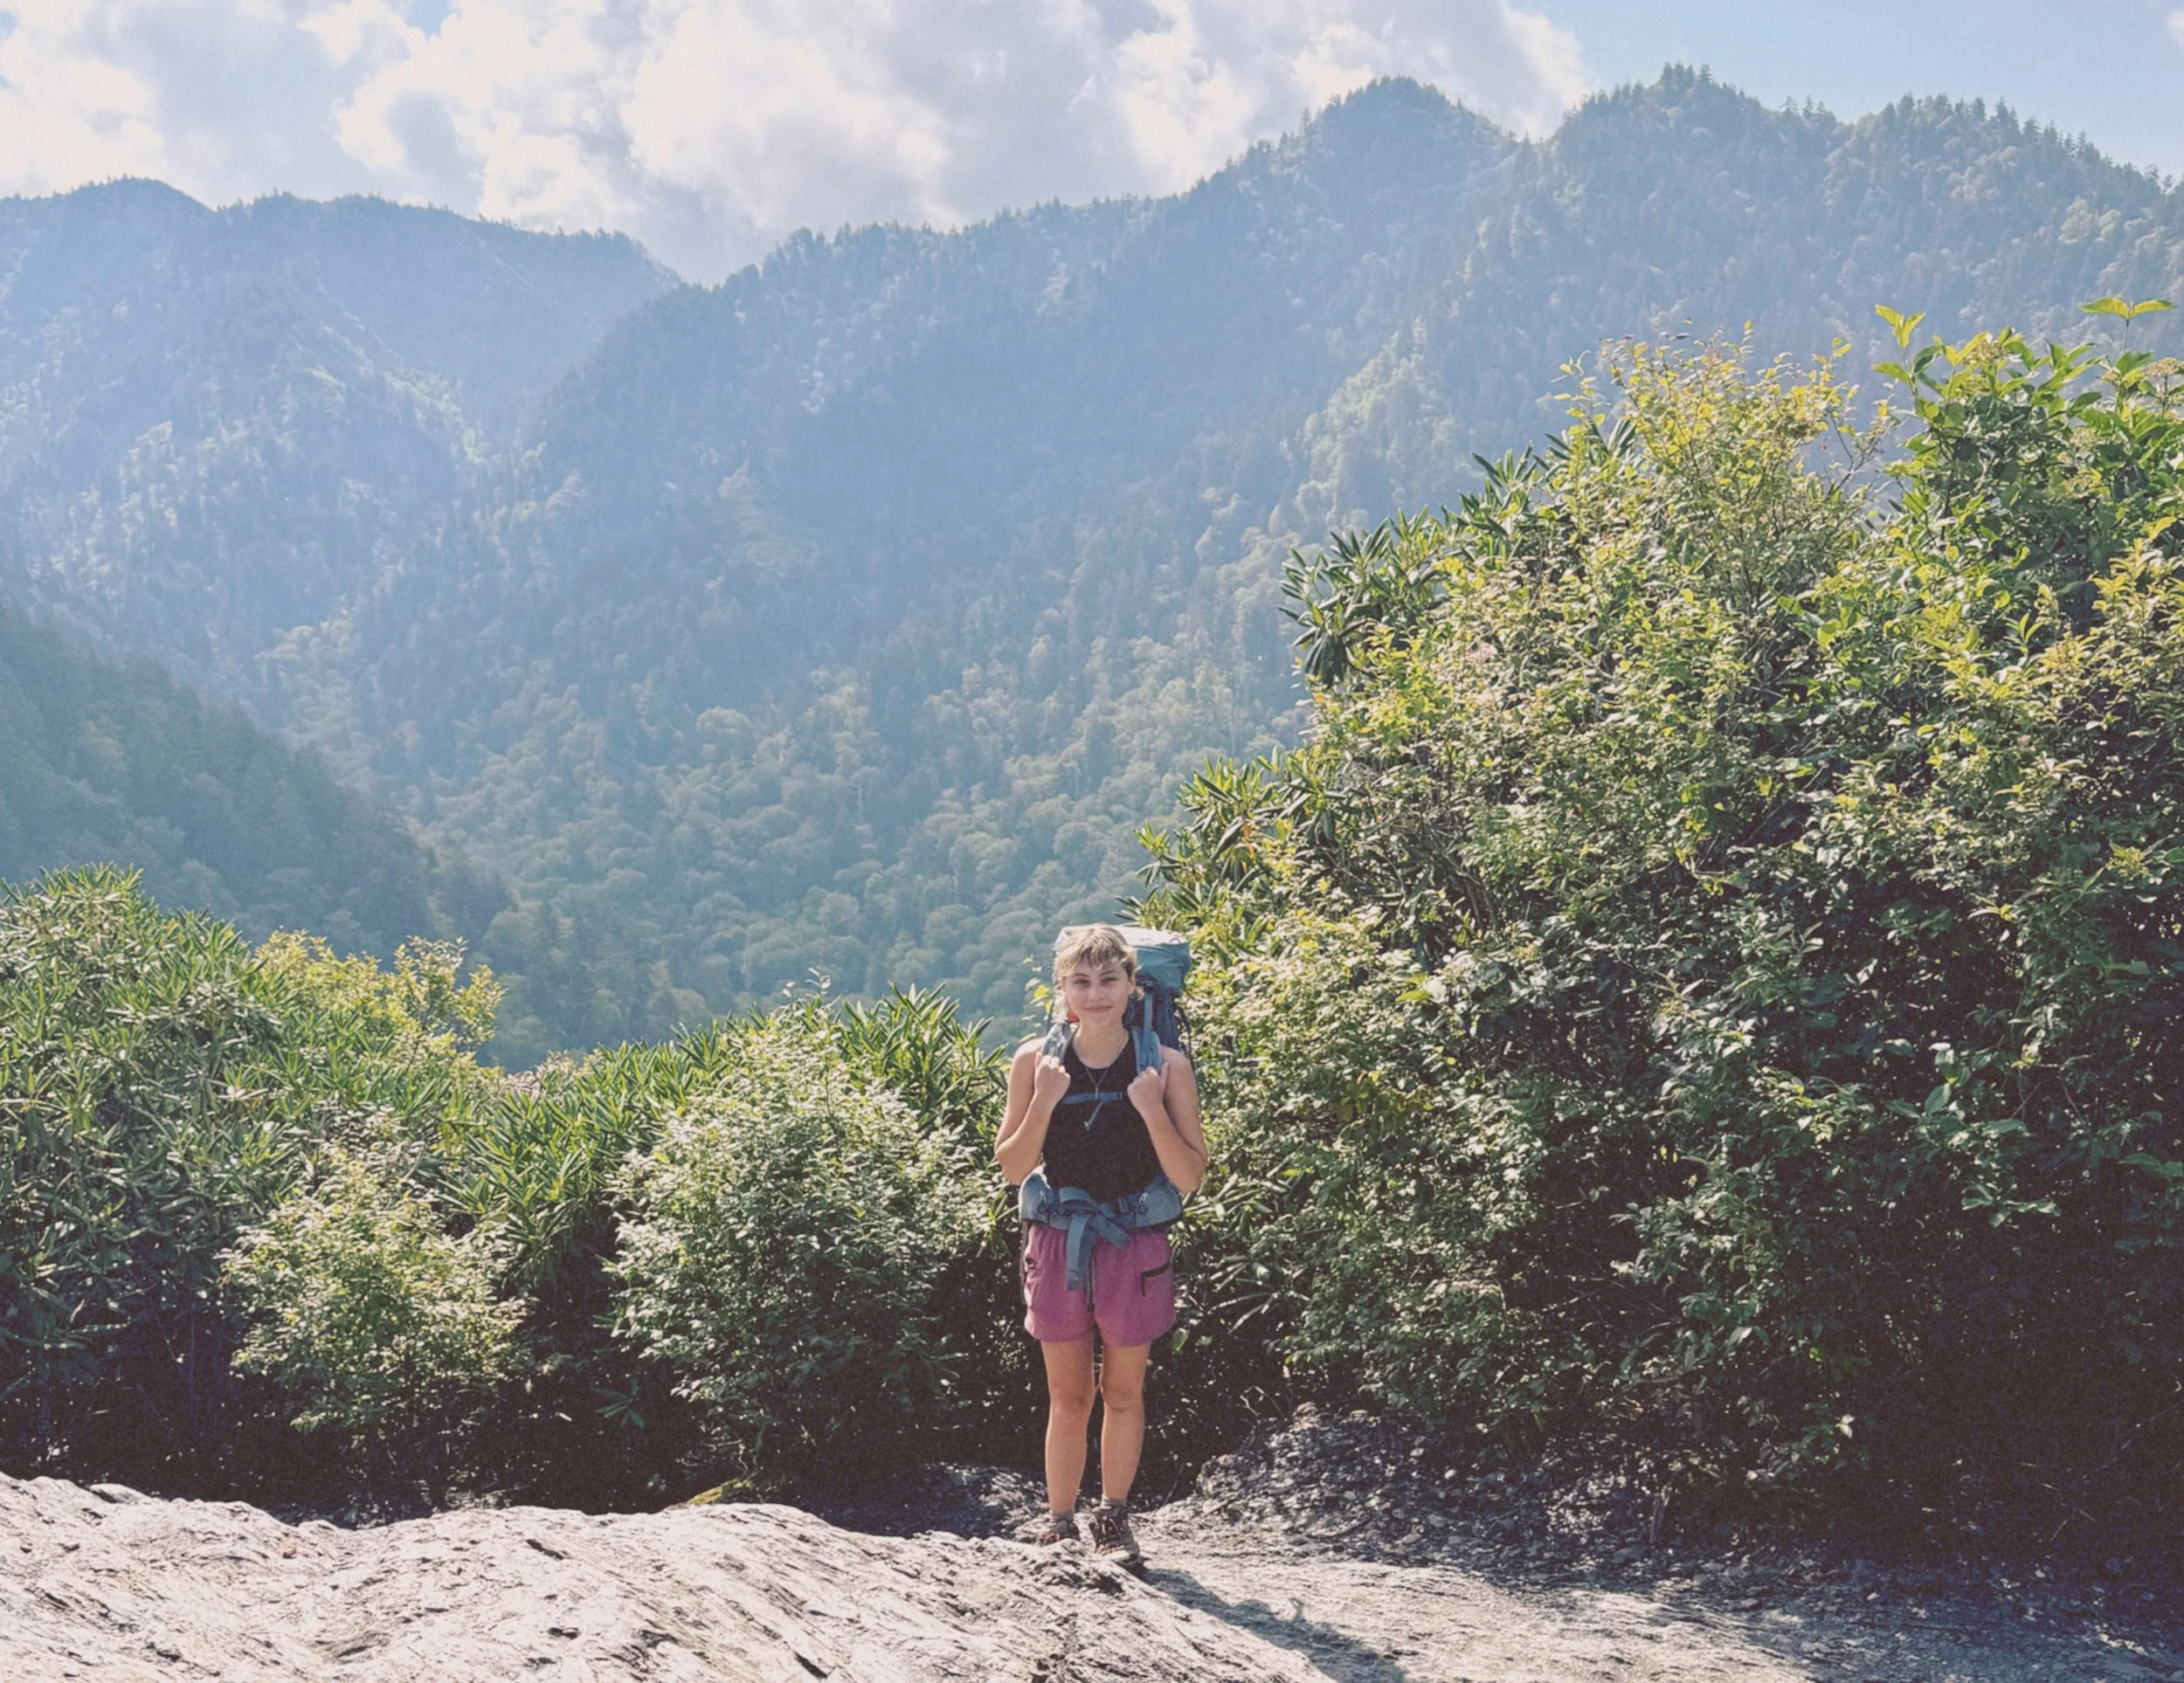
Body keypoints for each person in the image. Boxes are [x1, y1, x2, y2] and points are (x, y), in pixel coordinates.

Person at [994, 923, 1208, 1568]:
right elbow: (1012, 1165)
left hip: (1131, 1243)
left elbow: (1191, 1174)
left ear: (1132, 985)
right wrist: (1045, 1103)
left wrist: (1150, 1110)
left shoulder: (1164, 1065)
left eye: (1108, 980)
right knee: (1068, 1395)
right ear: (1062, 990)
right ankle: (1060, 1521)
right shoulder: (1035, 1061)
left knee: (1123, 1391)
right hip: (1059, 1241)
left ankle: (1113, 1518)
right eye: (1081, 982)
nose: (1096, 994)